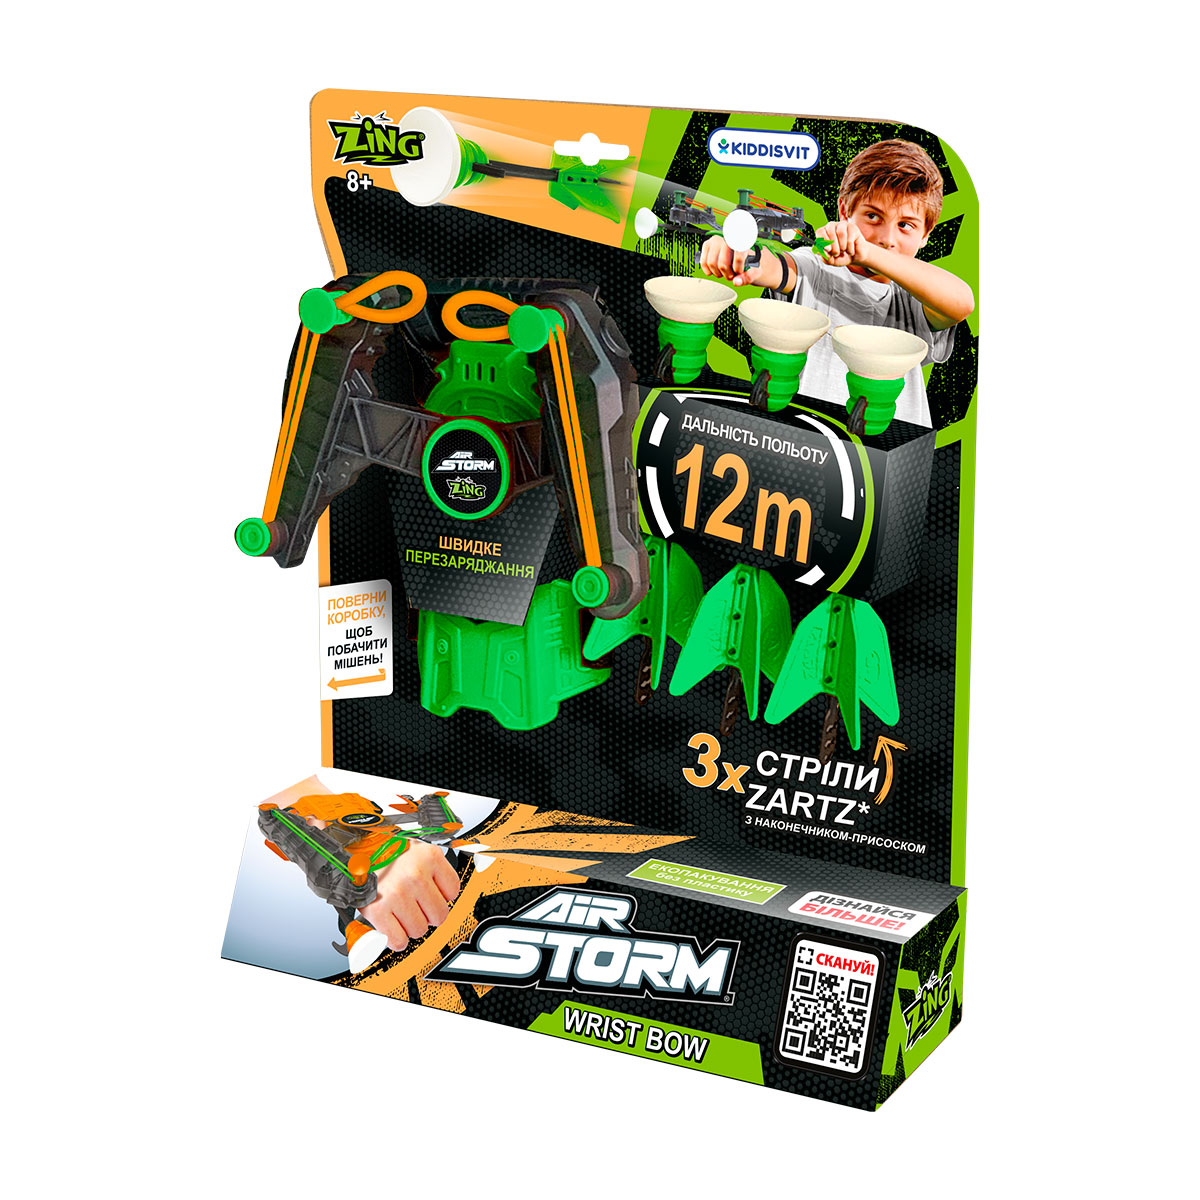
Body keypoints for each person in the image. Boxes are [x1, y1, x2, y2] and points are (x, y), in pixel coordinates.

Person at [699, 139, 974, 428]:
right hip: (811, 442)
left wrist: (867, 252)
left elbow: (962, 302)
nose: (887, 239)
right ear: (844, 211)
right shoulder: (816, 268)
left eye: (905, 225)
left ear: (926, 234)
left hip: (896, 447)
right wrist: (737, 251)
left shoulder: (914, 299)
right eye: (872, 216)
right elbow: (775, 266)